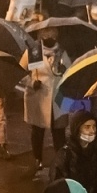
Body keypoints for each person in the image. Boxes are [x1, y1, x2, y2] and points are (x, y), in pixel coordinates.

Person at [24, 36, 70, 177]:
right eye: (45, 31)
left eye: (52, 31)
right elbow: (21, 72)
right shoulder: (34, 51)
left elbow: (70, 72)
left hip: (57, 97)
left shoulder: (61, 52)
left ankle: (61, 161)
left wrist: (65, 70)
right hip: (38, 97)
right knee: (37, 131)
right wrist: (32, 83)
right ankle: (37, 158)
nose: (49, 34)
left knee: (59, 132)